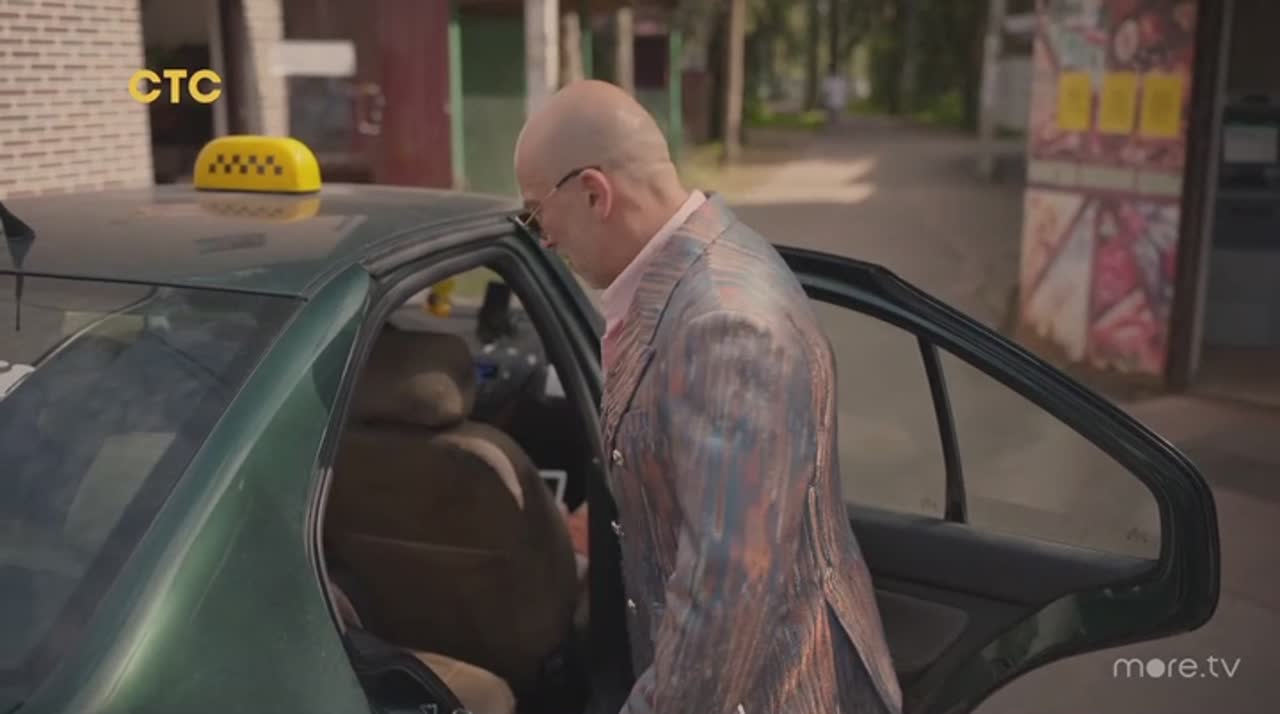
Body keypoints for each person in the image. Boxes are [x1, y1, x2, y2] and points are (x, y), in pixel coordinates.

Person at [513, 79, 903, 714]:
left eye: (536, 215)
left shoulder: (722, 323)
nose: (545, 240)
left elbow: (728, 590)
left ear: (593, 193)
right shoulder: (699, 271)